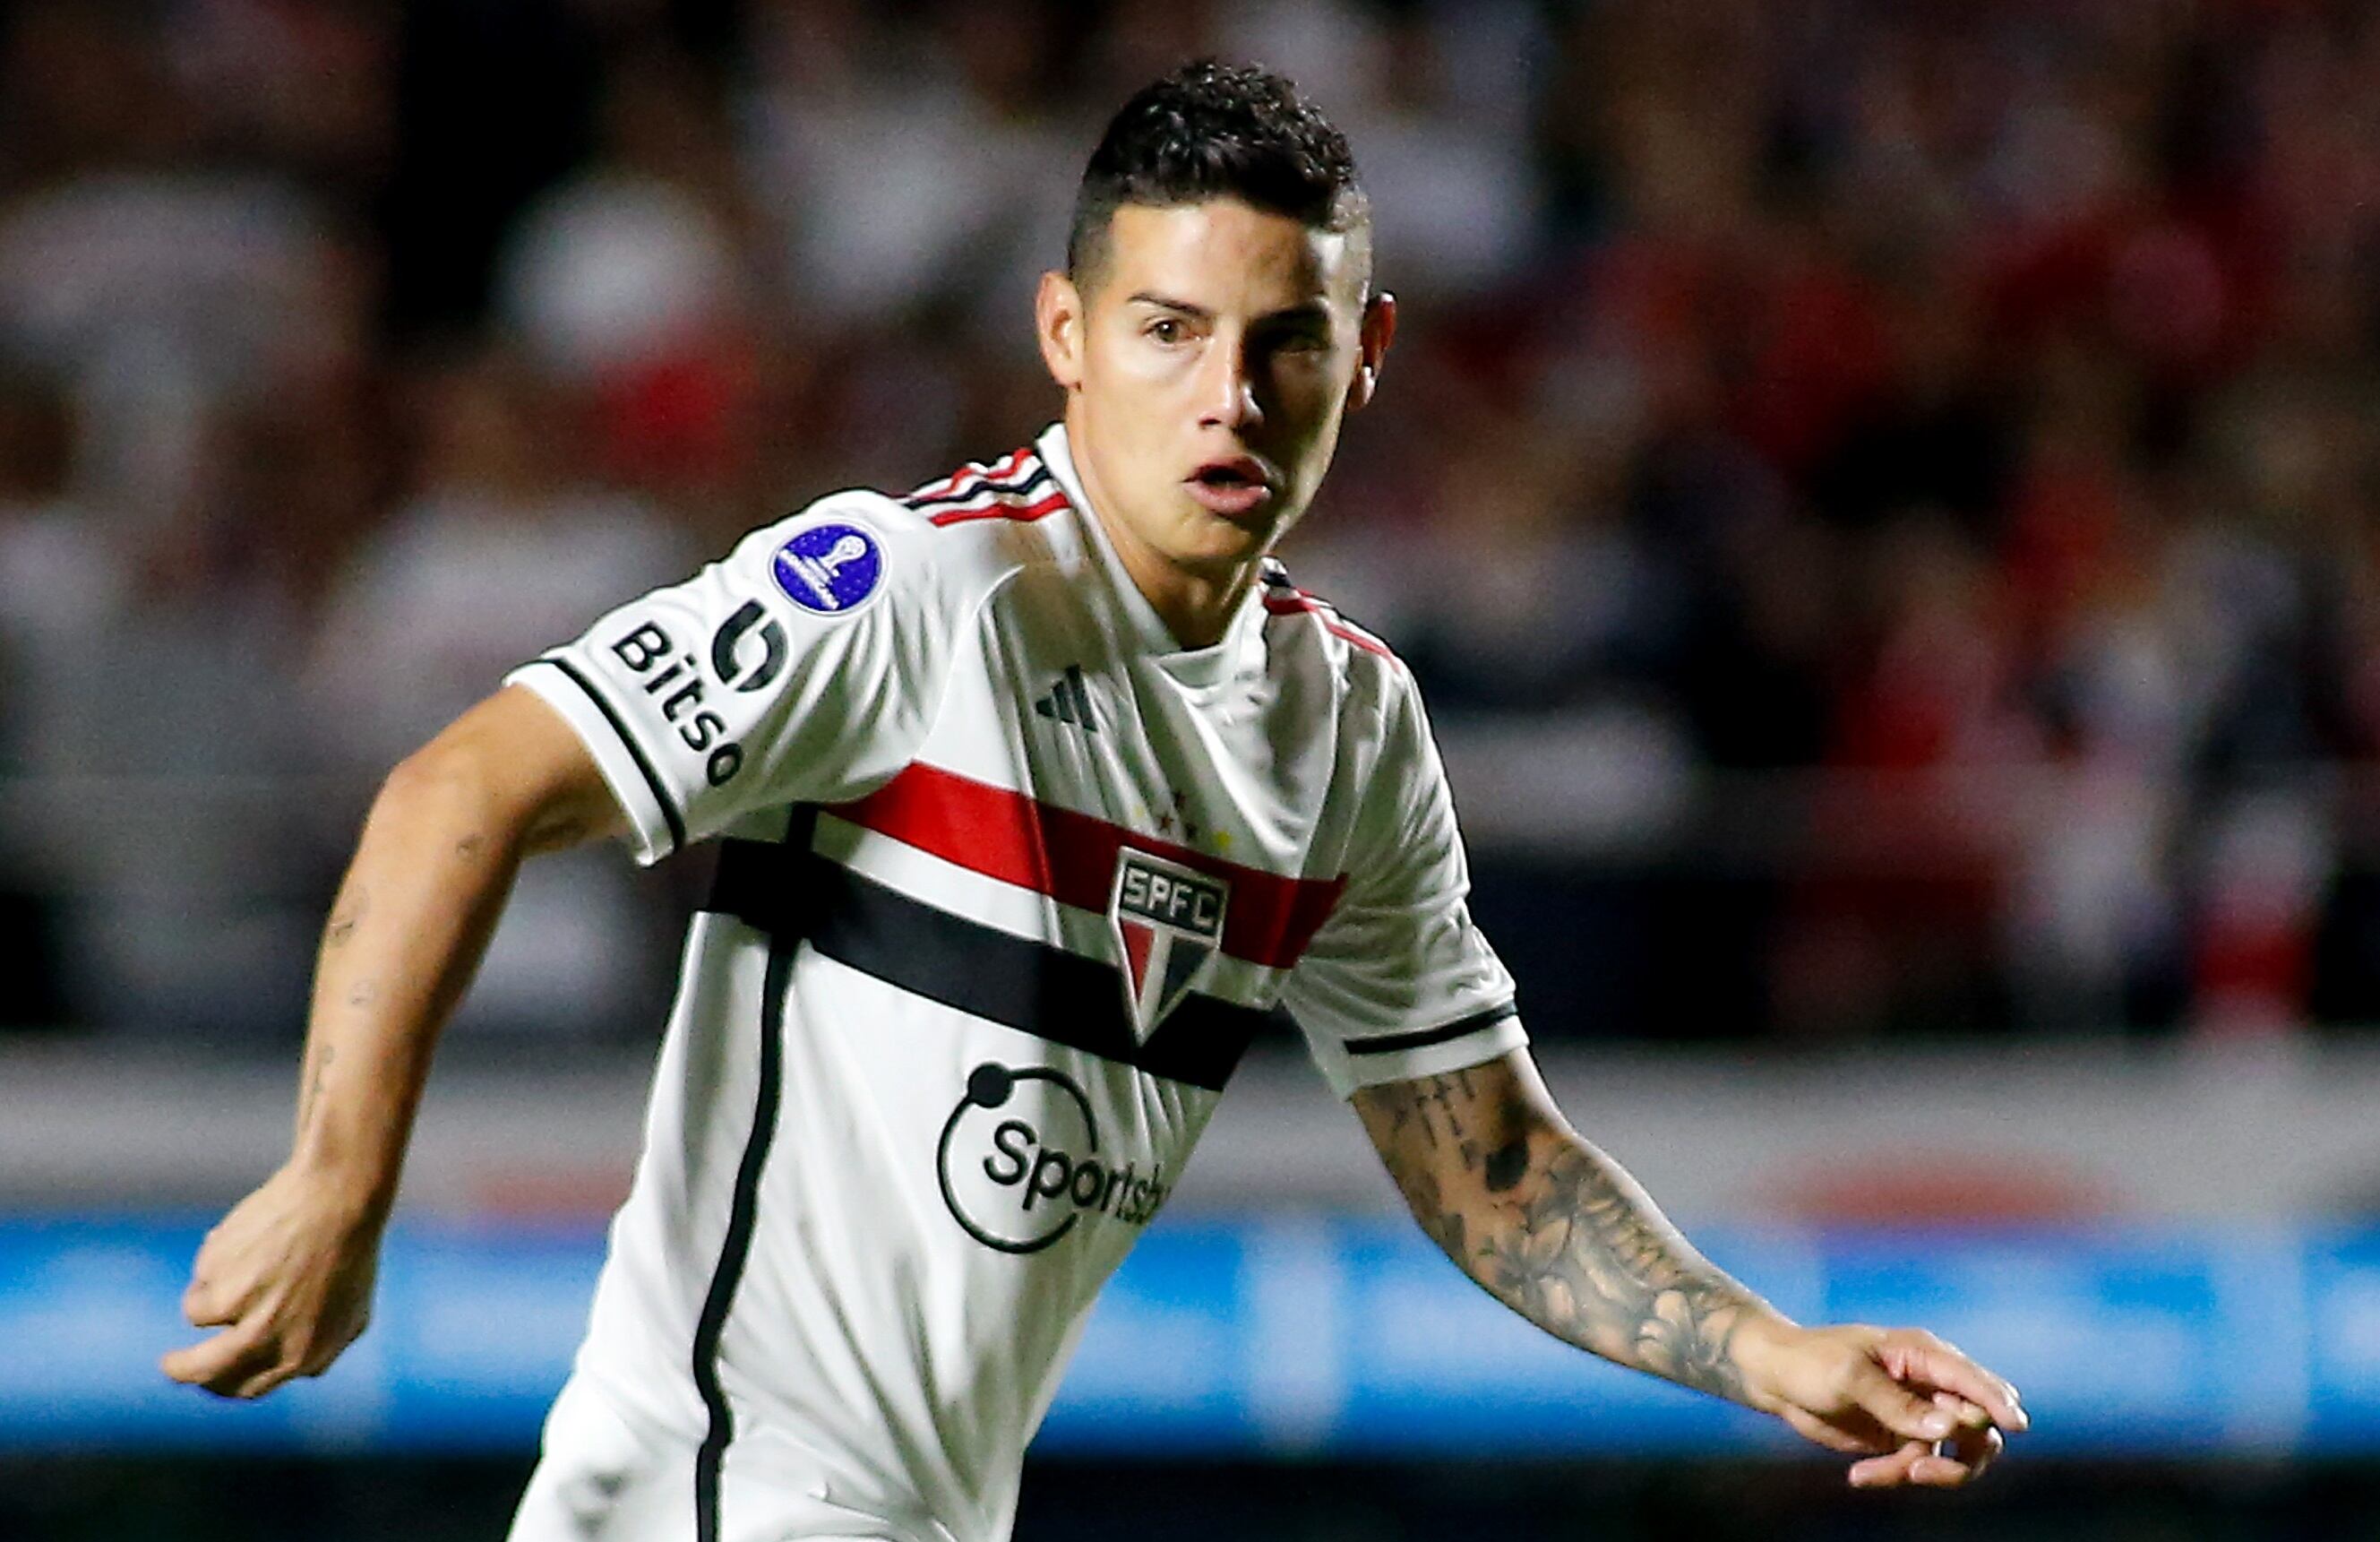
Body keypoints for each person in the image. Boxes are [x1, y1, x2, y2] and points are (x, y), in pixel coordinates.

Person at [164, 60, 2026, 1542]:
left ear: (1361, 363)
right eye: (1166, 330)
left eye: (1284, 340)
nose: (1229, 395)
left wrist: (1769, 1348)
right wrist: (342, 1176)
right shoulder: (909, 593)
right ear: (1066, 333)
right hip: (714, 1500)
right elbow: (461, 788)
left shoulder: (1346, 730)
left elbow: (1498, 1165)